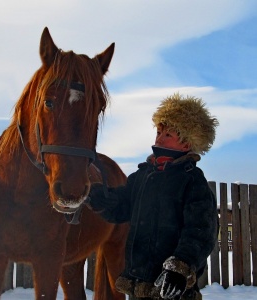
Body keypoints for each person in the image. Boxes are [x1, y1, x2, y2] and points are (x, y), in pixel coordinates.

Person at [88, 93, 219, 300]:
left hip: (172, 287)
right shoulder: (143, 175)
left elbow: (201, 231)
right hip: (139, 283)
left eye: (168, 135)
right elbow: (122, 205)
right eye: (159, 132)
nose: (159, 138)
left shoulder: (192, 181)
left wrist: (180, 267)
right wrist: (101, 198)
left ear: (186, 143)